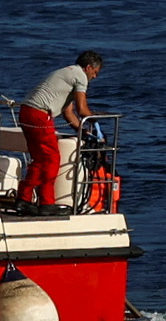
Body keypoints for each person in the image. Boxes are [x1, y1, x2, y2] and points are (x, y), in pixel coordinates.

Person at [16, 52, 102, 213]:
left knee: (40, 159)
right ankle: (47, 203)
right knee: (52, 159)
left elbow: (69, 113)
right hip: (40, 115)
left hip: (27, 111)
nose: (95, 76)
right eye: (95, 72)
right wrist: (96, 119)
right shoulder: (80, 75)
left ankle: (23, 199)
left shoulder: (66, 73)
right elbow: (82, 110)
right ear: (89, 67)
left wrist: (84, 133)